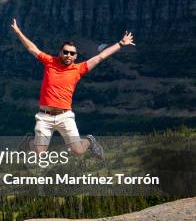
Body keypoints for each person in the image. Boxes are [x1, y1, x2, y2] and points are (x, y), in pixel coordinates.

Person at [10, 18, 135, 159]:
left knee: (78, 150)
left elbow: (100, 57)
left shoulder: (79, 69)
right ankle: (28, 141)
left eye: (72, 53)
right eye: (66, 52)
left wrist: (120, 44)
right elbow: (32, 48)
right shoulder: (49, 61)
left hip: (65, 116)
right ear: (60, 53)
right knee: (39, 154)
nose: (68, 55)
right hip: (44, 116)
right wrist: (18, 32)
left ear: (75, 56)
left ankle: (90, 140)